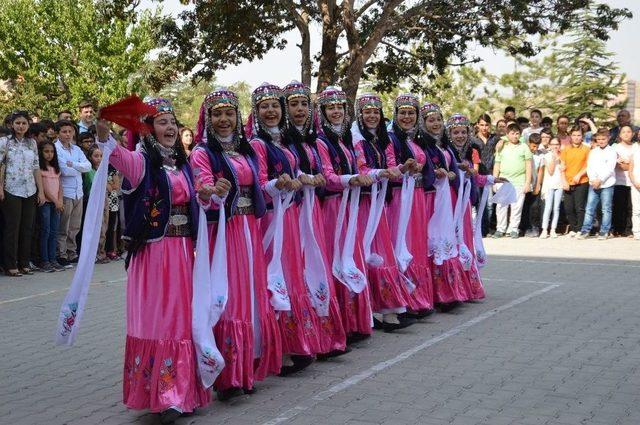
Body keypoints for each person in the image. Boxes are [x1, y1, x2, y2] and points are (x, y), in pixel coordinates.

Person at [96, 98, 219, 422]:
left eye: (171, 123)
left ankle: (179, 392)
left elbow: (197, 199)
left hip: (181, 254)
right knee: (158, 321)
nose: (168, 128)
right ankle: (163, 395)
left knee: (181, 320)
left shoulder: (184, 165)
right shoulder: (140, 163)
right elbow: (116, 155)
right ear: (148, 130)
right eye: (160, 122)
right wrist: (104, 133)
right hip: (153, 255)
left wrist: (207, 194)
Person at [190, 87, 282, 399]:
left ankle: (246, 371)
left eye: (229, 113)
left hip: (249, 229)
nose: (224, 119)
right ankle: (227, 377)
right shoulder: (202, 153)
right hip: (224, 235)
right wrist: (211, 190)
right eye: (217, 114)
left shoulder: (246, 152)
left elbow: (260, 188)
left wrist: (281, 185)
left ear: (238, 116)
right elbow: (201, 186)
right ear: (208, 119)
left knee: (251, 296)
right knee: (227, 298)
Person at [247, 82, 322, 373]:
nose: (270, 111)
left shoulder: (284, 142)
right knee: (274, 278)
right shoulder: (256, 144)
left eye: (275, 106)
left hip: (289, 216)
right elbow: (259, 183)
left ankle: (296, 343)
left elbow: (292, 171)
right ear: (256, 111)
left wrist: (305, 177)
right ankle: (277, 350)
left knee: (292, 275)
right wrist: (278, 185)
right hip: (270, 221)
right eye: (264, 106)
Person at [281, 80, 349, 354]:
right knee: (299, 272)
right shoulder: (281, 142)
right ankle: (301, 342)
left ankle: (322, 337)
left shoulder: (311, 141)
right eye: (293, 104)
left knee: (316, 269)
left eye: (303, 104)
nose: (299, 109)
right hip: (291, 214)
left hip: (312, 212)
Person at [315, 86, 375, 343]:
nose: (336, 111)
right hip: (332, 208)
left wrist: (376, 174)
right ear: (323, 112)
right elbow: (327, 177)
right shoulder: (320, 140)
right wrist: (352, 179)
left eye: (340, 107)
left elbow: (361, 166)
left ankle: (355, 322)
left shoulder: (348, 139)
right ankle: (341, 324)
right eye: (331, 107)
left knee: (352, 255)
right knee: (336, 258)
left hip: (349, 206)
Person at [351, 92, 415, 331]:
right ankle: (375, 311)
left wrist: (401, 167)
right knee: (370, 253)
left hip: (380, 200)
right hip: (364, 203)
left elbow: (389, 165)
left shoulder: (382, 139)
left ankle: (388, 308)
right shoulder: (356, 139)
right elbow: (362, 167)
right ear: (360, 114)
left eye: (375, 112)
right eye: (367, 112)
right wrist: (382, 173)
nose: (371, 116)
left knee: (383, 252)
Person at [387, 93, 435, 316]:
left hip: (416, 198)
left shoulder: (416, 140)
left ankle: (419, 298)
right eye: (402, 113)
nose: (407, 117)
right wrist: (404, 170)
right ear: (395, 115)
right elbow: (389, 169)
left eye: (411, 113)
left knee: (417, 245)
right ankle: (404, 300)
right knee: (402, 243)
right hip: (400, 198)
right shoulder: (390, 139)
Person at [421, 102, 468, 309]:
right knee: (435, 240)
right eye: (431, 120)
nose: (436, 123)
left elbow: (445, 165)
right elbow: (428, 169)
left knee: (448, 240)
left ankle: (450, 291)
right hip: (433, 198)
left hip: (447, 196)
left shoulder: (443, 146)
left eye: (439, 119)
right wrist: (439, 173)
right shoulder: (424, 145)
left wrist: (455, 168)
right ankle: (439, 293)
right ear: (423, 123)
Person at [0, 111, 45, 276]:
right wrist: (0, 188)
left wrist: (41, 191)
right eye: (17, 123)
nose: (21, 126)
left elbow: (36, 167)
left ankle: (24, 263)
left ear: (28, 125)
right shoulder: (4, 142)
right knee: (12, 227)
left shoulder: (32, 143)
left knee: (27, 228)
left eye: (24, 123)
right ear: (12, 124)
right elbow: (1, 166)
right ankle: (10, 265)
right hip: (11, 188)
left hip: (30, 189)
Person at [55, 120, 91, 266]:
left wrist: (74, 164)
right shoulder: (56, 148)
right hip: (65, 191)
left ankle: (71, 252)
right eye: (64, 131)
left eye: (70, 131)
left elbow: (87, 166)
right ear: (58, 133)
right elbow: (64, 170)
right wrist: (78, 167)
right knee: (63, 226)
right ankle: (61, 254)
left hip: (78, 191)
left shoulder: (76, 149)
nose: (68, 134)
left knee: (75, 226)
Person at [492, 123, 532, 238]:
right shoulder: (502, 146)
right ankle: (500, 229)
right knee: (501, 206)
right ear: (507, 134)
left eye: (517, 133)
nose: (515, 136)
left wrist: (527, 183)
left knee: (516, 207)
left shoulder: (524, 146)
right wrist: (495, 180)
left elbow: (528, 165)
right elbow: (497, 164)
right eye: (512, 133)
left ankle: (513, 229)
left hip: (519, 181)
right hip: (503, 181)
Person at [578, 128, 617, 240]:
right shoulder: (593, 151)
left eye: (603, 139)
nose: (601, 141)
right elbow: (590, 167)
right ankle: (585, 230)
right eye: (598, 139)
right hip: (593, 184)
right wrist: (594, 180)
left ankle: (604, 231)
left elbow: (610, 169)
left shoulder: (612, 152)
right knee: (590, 208)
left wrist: (600, 180)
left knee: (606, 209)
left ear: (608, 138)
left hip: (607, 184)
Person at [38, 141, 65, 272]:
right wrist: (56, 201)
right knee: (46, 231)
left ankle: (53, 259)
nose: (49, 154)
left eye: (52, 152)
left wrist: (60, 200)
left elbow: (60, 186)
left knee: (54, 231)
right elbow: (45, 189)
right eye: (46, 152)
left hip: (56, 204)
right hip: (47, 204)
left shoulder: (55, 169)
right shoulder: (40, 169)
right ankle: (44, 260)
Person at [560, 126, 590, 236]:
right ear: (570, 136)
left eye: (579, 135)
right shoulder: (565, 149)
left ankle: (579, 229)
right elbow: (562, 166)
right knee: (568, 208)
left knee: (580, 207)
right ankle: (573, 228)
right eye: (574, 135)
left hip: (582, 181)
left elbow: (588, 165)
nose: (576, 137)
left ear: (582, 136)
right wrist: (564, 181)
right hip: (568, 181)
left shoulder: (587, 149)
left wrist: (579, 175)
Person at [519, 133, 544, 237]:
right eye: (533, 146)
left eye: (537, 146)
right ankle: (523, 227)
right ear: (529, 143)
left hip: (534, 185)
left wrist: (538, 185)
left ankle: (534, 227)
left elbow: (540, 171)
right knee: (523, 207)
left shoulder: (540, 156)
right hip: (523, 184)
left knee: (534, 207)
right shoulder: (523, 152)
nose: (535, 148)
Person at [612, 125, 635, 237]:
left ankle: (629, 229)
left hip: (633, 182)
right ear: (620, 135)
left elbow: (628, 166)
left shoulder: (636, 147)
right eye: (624, 132)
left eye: (629, 131)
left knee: (631, 207)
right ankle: (618, 229)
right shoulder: (615, 147)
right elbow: (620, 167)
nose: (626, 134)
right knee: (619, 206)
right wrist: (630, 163)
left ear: (633, 134)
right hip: (619, 182)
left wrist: (627, 163)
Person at [539, 138, 564, 238]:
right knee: (548, 207)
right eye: (553, 144)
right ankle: (544, 229)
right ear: (549, 145)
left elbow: (564, 168)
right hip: (549, 185)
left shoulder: (563, 155)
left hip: (560, 184)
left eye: (557, 144)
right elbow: (550, 171)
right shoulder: (546, 156)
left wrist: (560, 159)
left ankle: (553, 229)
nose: (555, 146)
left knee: (556, 208)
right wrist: (554, 158)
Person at [628, 141, 640, 240]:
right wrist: (634, 182)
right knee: (636, 210)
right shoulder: (635, 151)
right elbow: (630, 170)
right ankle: (636, 232)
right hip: (636, 185)